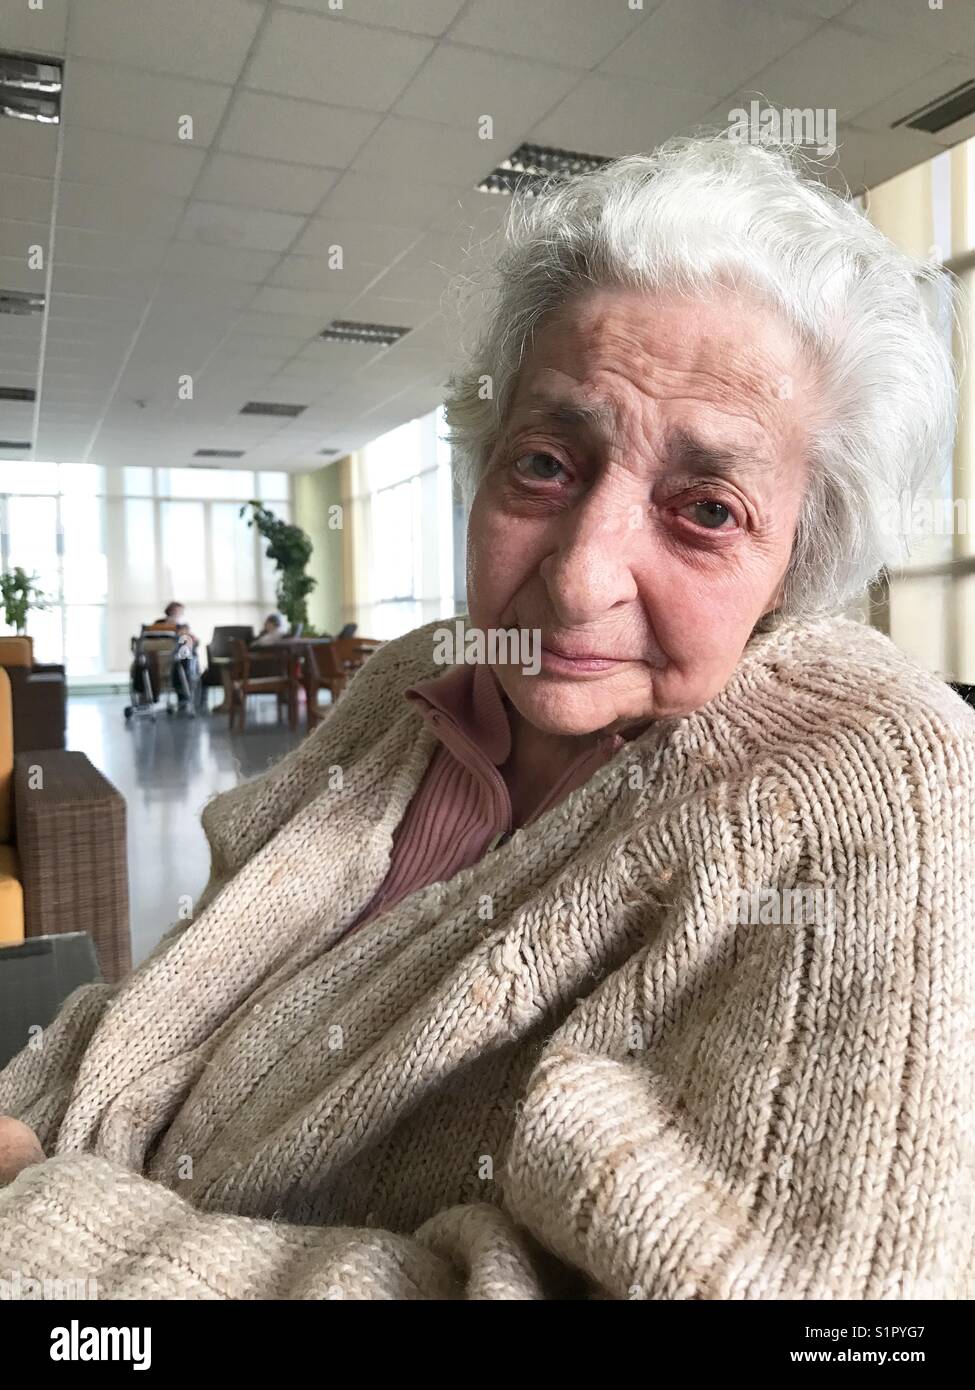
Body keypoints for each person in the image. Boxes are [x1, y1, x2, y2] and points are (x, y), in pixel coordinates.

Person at [1, 132, 973, 1300]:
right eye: (548, 464)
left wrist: (49, 1236)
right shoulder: (417, 678)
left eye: (707, 508)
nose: (576, 580)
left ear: (801, 564)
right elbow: (180, 994)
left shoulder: (876, 780)